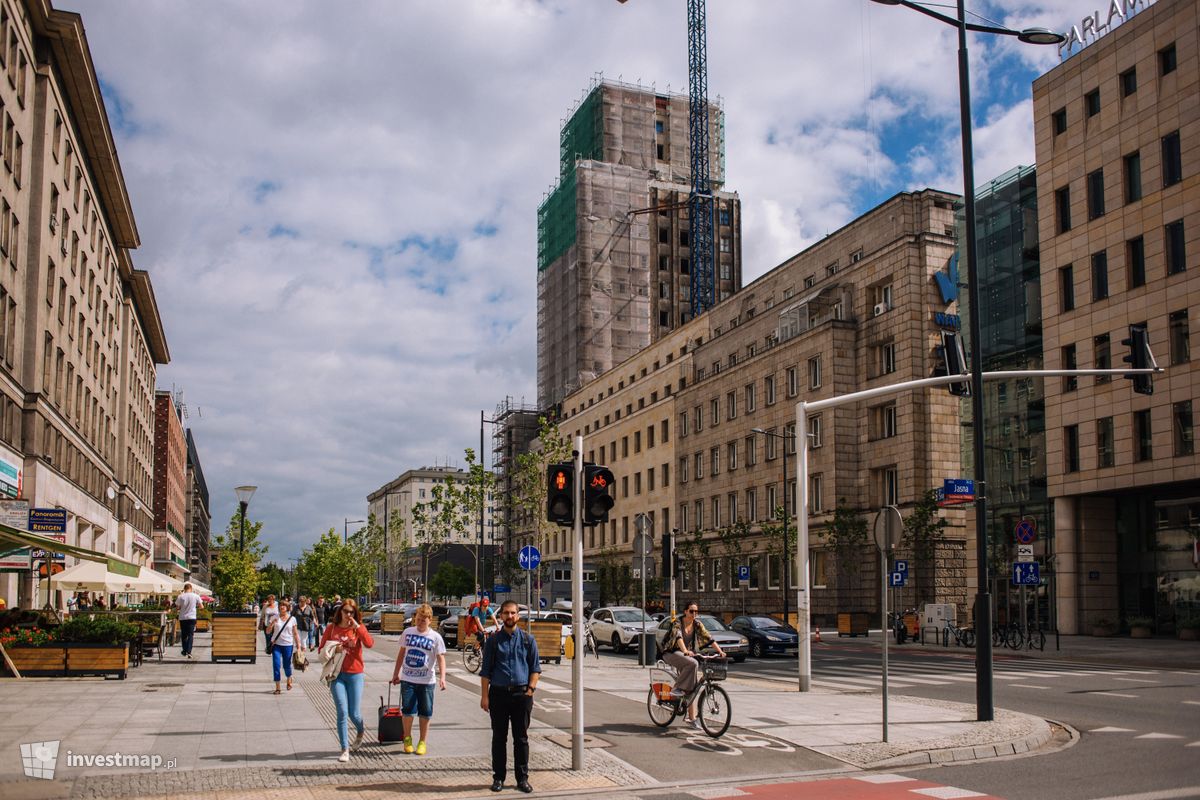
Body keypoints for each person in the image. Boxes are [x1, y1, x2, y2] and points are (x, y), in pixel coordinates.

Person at [480, 599, 540, 794]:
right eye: (506, 613)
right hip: (498, 694)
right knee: (499, 738)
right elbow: (486, 671)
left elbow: (535, 668)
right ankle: (498, 778)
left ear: (518, 616)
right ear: (501, 616)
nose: (509, 616)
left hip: (521, 695)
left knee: (521, 738)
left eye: (513, 613)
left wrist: (530, 690)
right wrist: (484, 697)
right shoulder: (494, 641)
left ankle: (522, 779)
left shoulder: (527, 640)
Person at [321, 598, 374, 763]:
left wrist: (358, 627)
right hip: (337, 675)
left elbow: (370, 644)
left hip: (355, 674)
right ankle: (344, 748)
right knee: (342, 712)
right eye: (345, 611)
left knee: (354, 713)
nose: (348, 615)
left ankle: (360, 730)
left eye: (352, 612)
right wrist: (336, 648)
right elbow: (321, 648)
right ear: (340, 612)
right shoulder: (332, 628)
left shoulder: (358, 629)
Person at [390, 603, 447, 755]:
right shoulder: (407, 632)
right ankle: (407, 738)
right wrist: (396, 673)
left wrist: (443, 677)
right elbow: (401, 654)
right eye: (418, 619)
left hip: (427, 681)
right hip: (408, 678)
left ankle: (422, 741)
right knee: (408, 710)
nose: (420, 622)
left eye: (423, 620)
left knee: (426, 712)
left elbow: (441, 658)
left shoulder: (435, 637)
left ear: (430, 620)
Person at [662, 603, 726, 729]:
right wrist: (685, 650)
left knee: (692, 686)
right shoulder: (677, 623)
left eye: (696, 611)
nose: (694, 614)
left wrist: (720, 651)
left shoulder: (697, 624)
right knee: (693, 663)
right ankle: (677, 688)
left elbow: (708, 637)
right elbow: (678, 637)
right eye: (692, 611)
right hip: (671, 652)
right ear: (686, 611)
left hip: (686, 654)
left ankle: (691, 719)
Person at [268, 599, 299, 694]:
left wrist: (299, 645)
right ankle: (278, 687)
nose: (282, 607)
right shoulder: (274, 617)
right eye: (281, 605)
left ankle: (289, 678)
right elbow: (268, 631)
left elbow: (295, 633)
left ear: (287, 608)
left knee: (286, 665)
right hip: (276, 645)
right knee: (276, 665)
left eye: (284, 606)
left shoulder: (292, 619)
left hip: (288, 645)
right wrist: (272, 624)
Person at [175, 582, 203, 659]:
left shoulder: (180, 596)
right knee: (190, 635)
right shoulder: (196, 596)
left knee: (184, 635)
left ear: (184, 589)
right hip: (192, 617)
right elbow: (201, 606)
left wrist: (182, 607)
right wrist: (194, 606)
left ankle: (184, 650)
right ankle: (189, 652)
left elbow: (177, 607)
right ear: (191, 589)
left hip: (183, 618)